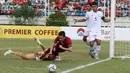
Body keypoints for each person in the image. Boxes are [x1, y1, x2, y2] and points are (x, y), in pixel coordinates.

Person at [4, 31, 72, 61]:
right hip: (37, 56)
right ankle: (11, 51)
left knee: (45, 51)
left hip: (42, 55)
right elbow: (48, 49)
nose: (59, 39)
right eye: (59, 38)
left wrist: (61, 50)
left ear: (64, 36)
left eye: (61, 38)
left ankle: (39, 43)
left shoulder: (68, 40)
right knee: (24, 56)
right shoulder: (51, 55)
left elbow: (70, 50)